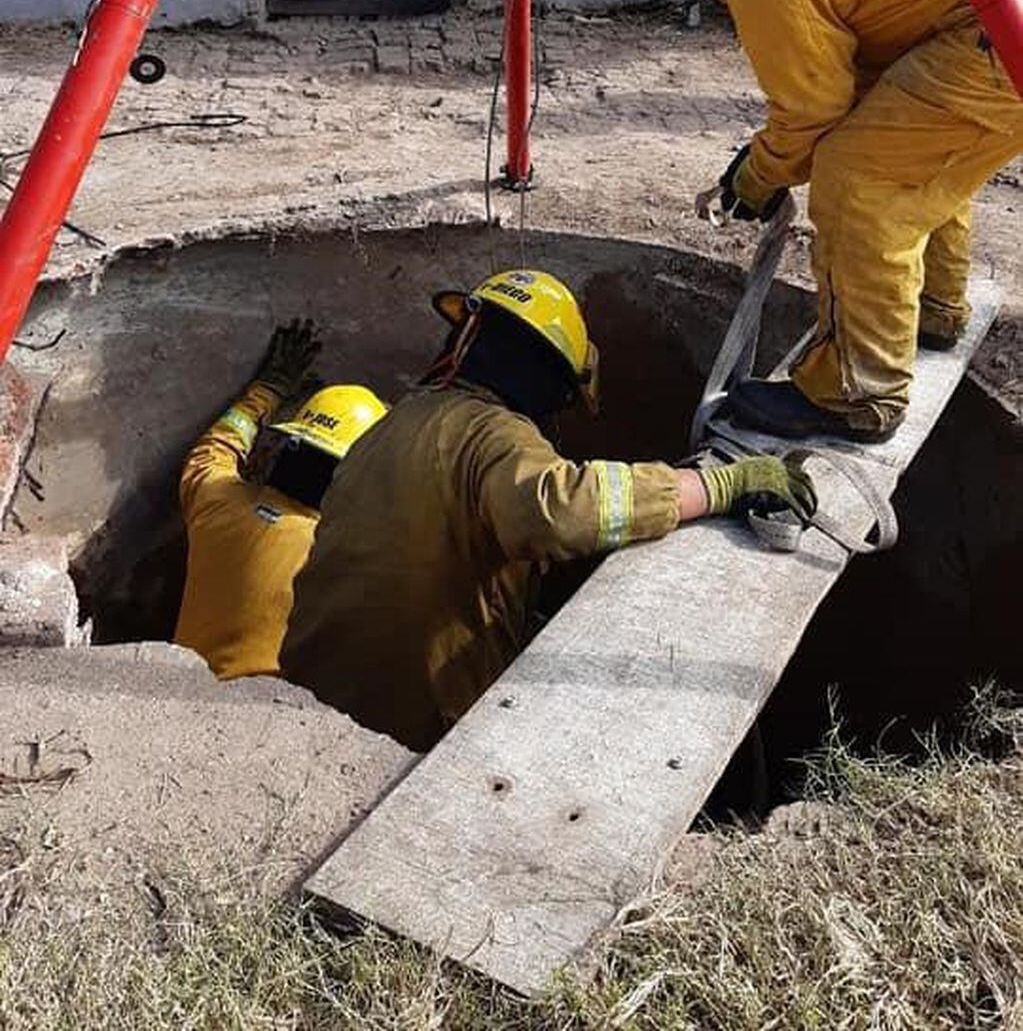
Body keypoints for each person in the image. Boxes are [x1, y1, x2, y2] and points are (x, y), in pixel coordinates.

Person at [574, 0, 1023, 441]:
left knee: (858, 176)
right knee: (899, 140)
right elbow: (853, 89)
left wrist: (755, 179)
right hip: (995, 11)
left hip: (1005, 16)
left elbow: (814, 110)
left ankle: (856, 392)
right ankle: (932, 307)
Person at [279, 269, 814, 750]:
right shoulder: (496, 434)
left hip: (307, 699)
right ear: (552, 381)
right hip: (410, 723)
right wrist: (720, 485)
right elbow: (560, 512)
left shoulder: (390, 424)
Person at [173, 318, 388, 679]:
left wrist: (269, 387)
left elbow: (217, 445)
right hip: (261, 719)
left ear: (289, 447)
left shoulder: (215, 501)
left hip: (169, 691)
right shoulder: (341, 565)